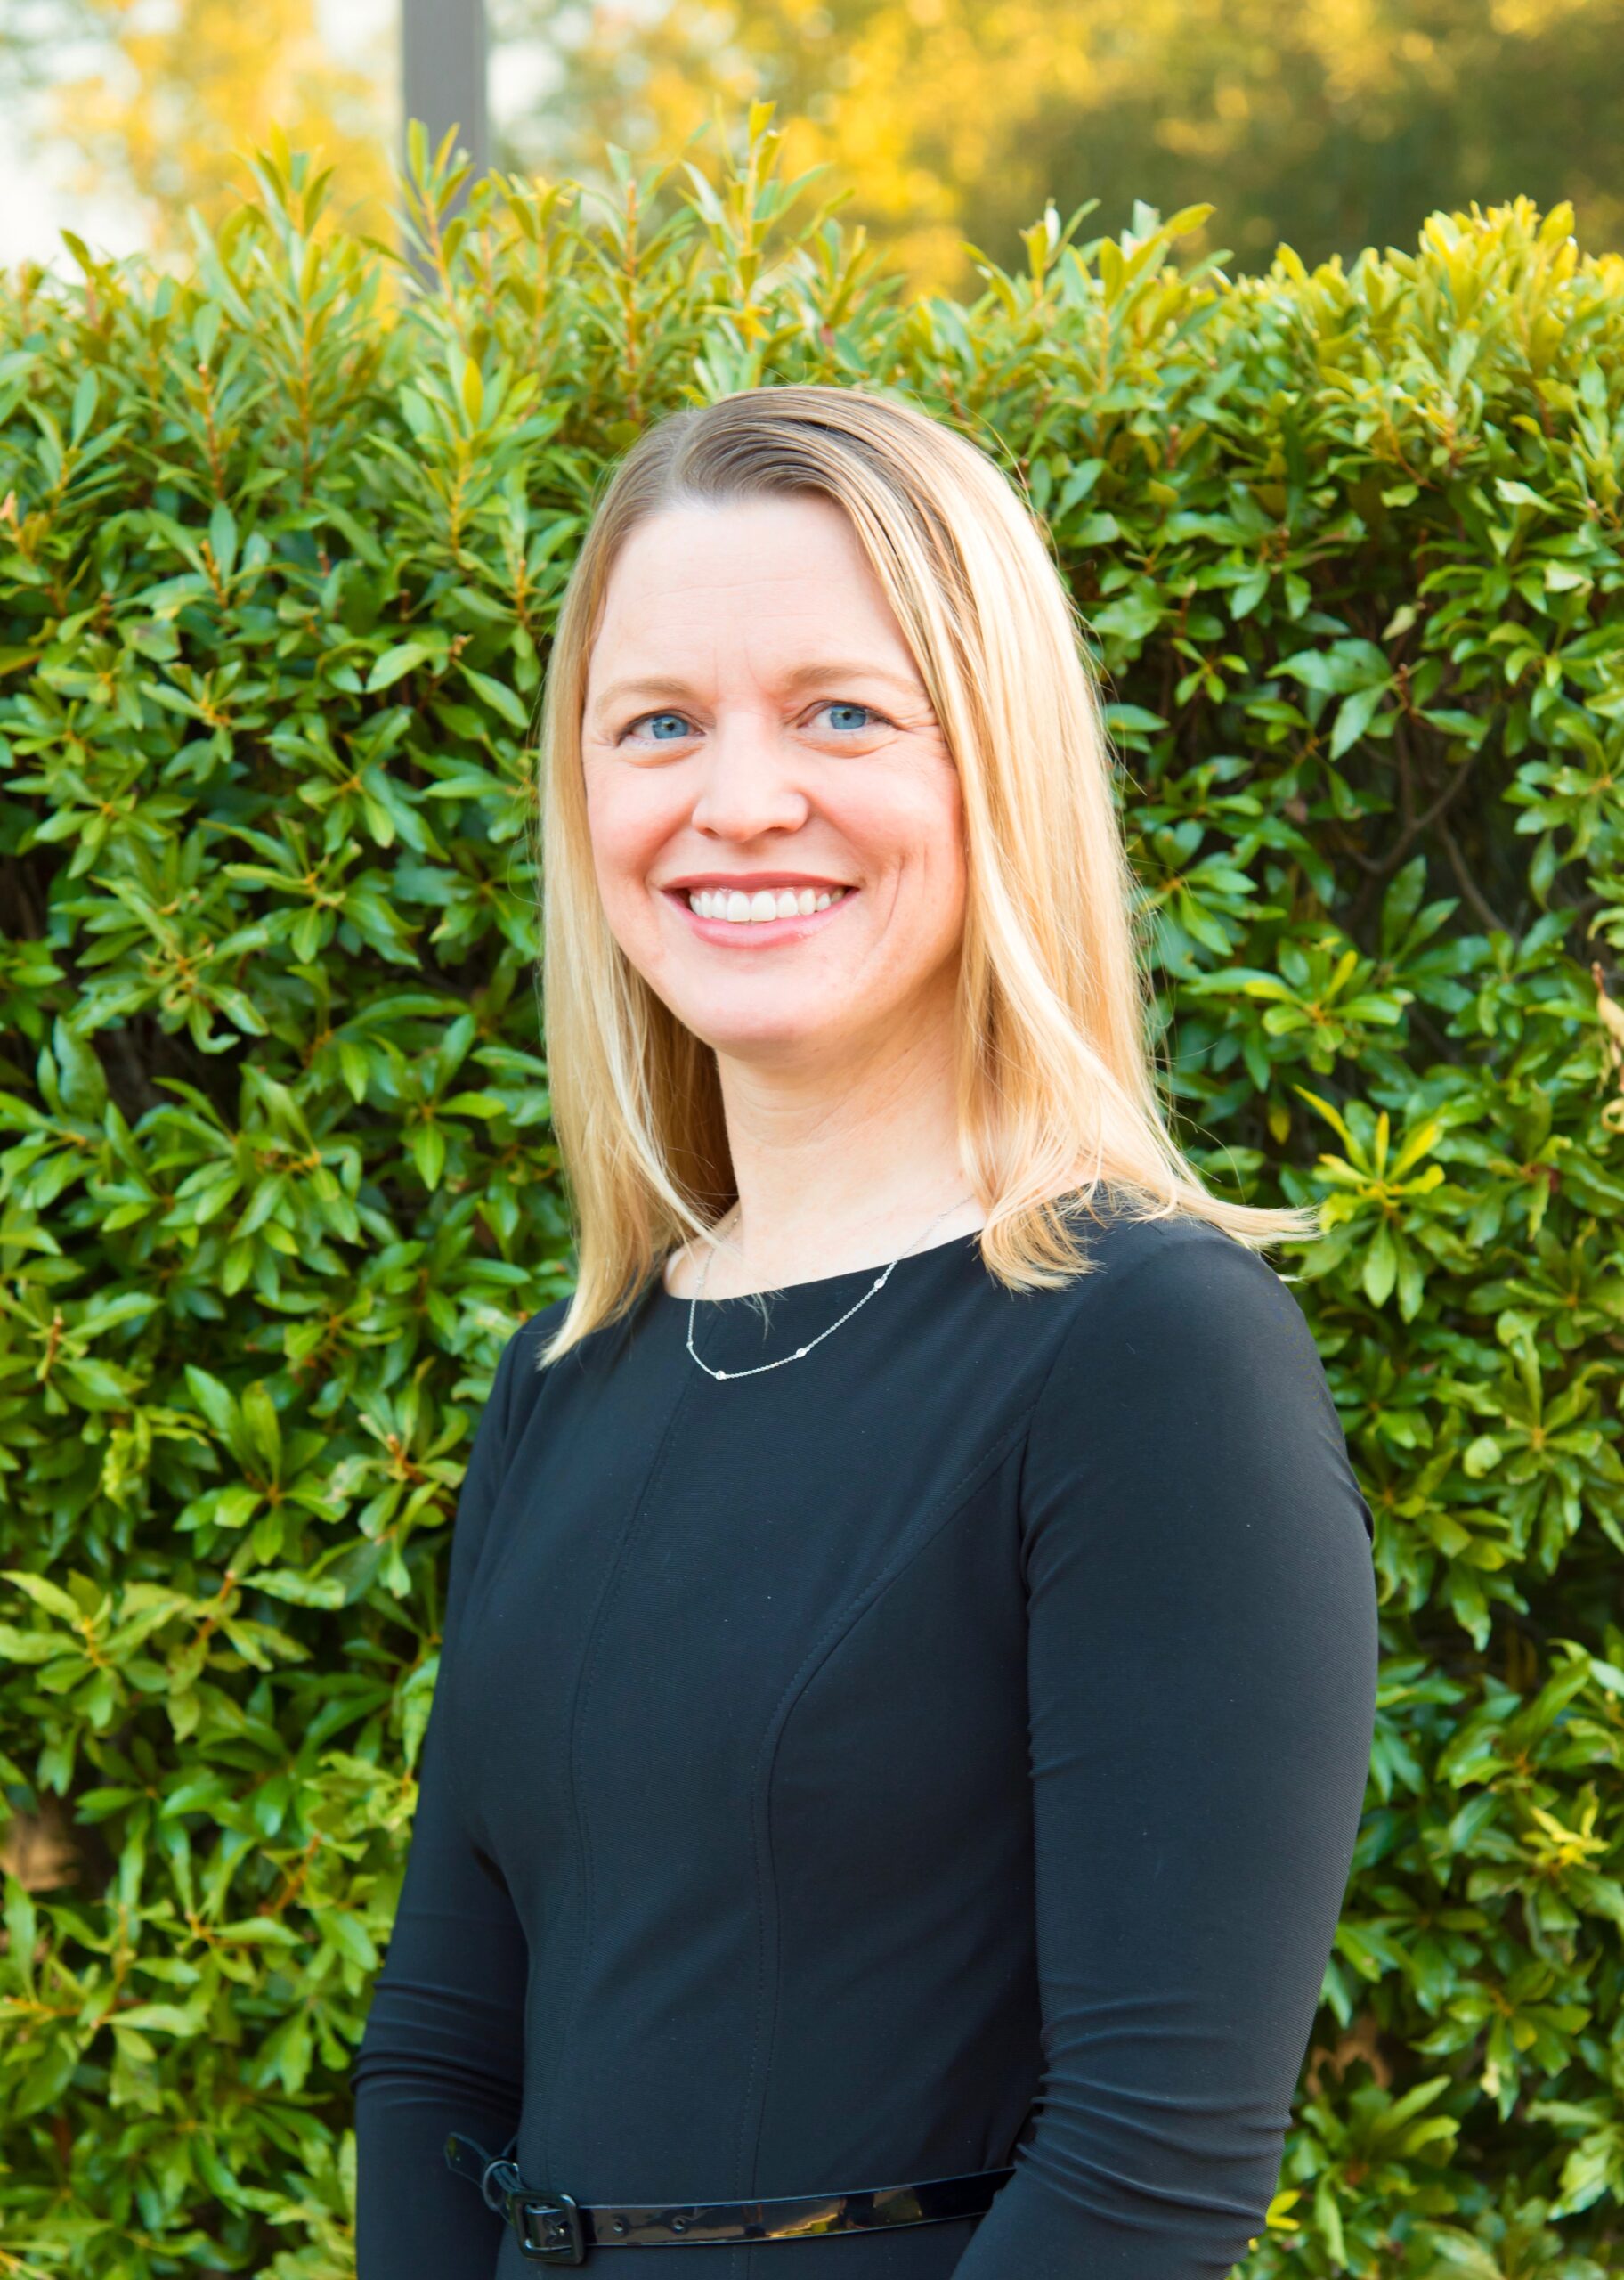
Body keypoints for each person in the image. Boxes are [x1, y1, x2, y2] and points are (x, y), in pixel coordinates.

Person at [350, 383, 1378, 2278]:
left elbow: (1151, 2167)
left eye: (841, 710)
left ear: (996, 759)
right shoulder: (564, 1377)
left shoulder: (1148, 1352)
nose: (737, 799)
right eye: (658, 723)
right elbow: (439, 2057)